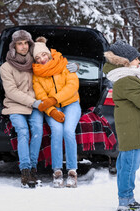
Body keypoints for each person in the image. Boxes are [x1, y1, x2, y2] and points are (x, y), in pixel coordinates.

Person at [103, 40, 140, 211]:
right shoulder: (126, 80)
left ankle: (128, 198)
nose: (139, 61)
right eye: (136, 59)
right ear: (125, 62)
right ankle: (125, 201)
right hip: (132, 129)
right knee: (129, 166)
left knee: (127, 165)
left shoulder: (128, 77)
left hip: (131, 127)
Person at [32, 37, 81, 188]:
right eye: (37, 57)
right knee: (57, 131)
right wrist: (52, 110)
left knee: (68, 131)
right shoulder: (37, 75)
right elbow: (41, 97)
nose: (42, 59)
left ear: (49, 53)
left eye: (43, 55)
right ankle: (57, 171)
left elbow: (72, 86)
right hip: (53, 109)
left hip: (71, 103)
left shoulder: (64, 65)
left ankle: (72, 171)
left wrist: (54, 99)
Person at [0, 30, 44, 188]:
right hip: (15, 105)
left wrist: (74, 67)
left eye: (26, 43)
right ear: (14, 46)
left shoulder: (35, 62)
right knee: (23, 131)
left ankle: (33, 168)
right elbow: (11, 91)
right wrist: (34, 102)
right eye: (20, 43)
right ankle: (25, 170)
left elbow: (54, 66)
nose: (24, 46)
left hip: (35, 105)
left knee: (38, 130)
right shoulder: (6, 67)